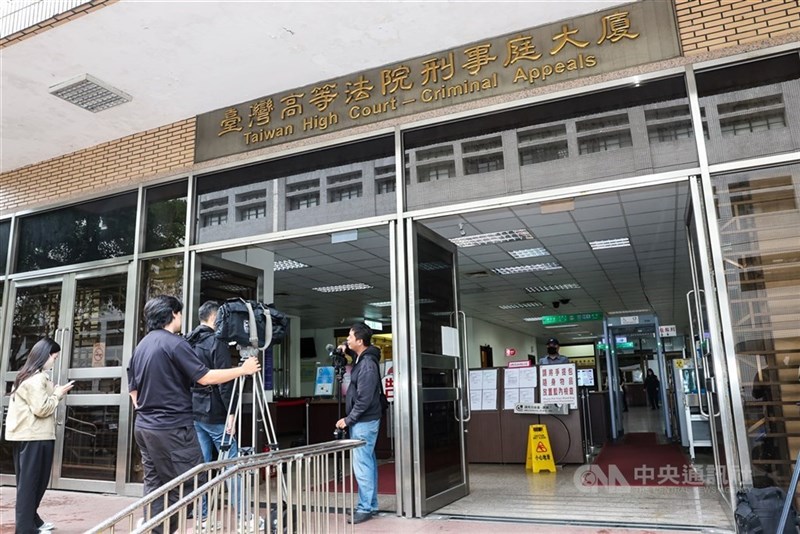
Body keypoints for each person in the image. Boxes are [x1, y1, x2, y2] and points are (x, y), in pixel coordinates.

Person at [127, 295, 260, 533]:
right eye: (179, 314)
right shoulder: (174, 344)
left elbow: (133, 391)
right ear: (173, 314)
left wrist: (148, 413)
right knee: (192, 481)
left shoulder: (142, 346)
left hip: (145, 427)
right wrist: (242, 370)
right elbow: (205, 376)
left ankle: (156, 528)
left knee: (156, 483)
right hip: (173, 428)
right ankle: (176, 526)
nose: (180, 318)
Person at [5, 337, 74, 534]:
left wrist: (53, 390)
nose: (55, 360)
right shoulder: (36, 379)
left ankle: (31, 520)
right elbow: (42, 409)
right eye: (54, 356)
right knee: (32, 484)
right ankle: (26, 528)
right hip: (34, 437)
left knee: (32, 482)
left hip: (30, 436)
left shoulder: (29, 376)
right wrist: (58, 394)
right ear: (45, 356)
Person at [186, 300, 239, 525]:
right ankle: (244, 515)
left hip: (194, 409)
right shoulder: (217, 342)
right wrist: (232, 412)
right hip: (215, 411)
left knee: (202, 464)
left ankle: (203, 516)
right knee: (232, 463)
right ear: (215, 319)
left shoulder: (187, 342)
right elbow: (225, 382)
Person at [335, 322, 382, 525]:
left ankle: (365, 508)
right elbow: (355, 353)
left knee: (362, 464)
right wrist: (345, 350)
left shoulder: (367, 365)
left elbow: (364, 399)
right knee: (367, 462)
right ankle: (371, 505)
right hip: (366, 420)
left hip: (364, 421)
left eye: (350, 336)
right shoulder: (363, 358)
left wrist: (348, 419)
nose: (348, 339)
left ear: (360, 341)